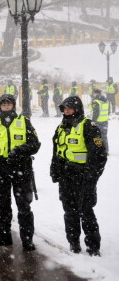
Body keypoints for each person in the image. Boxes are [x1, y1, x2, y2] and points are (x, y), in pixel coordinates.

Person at [0, 94, 40, 251]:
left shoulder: (24, 121)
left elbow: (35, 144)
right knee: (3, 205)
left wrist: (20, 151)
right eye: (3, 104)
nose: (6, 107)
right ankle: (4, 236)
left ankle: (27, 240)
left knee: (24, 206)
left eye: (9, 104)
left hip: (21, 169)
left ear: (14, 105)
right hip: (0, 170)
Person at [50, 96, 107, 256]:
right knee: (69, 211)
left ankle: (93, 246)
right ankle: (73, 242)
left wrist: (91, 177)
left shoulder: (88, 126)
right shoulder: (61, 127)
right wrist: (54, 170)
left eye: (69, 108)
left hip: (83, 177)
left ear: (77, 109)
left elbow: (99, 155)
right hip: (65, 176)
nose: (66, 111)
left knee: (86, 211)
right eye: (64, 108)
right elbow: (56, 151)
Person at [89, 88, 110, 154]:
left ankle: (99, 151)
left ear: (96, 93)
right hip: (105, 121)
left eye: (94, 93)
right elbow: (108, 111)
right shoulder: (106, 100)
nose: (93, 94)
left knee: (96, 136)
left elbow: (96, 112)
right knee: (104, 136)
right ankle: (106, 150)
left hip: (98, 122)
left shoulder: (96, 101)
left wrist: (93, 120)